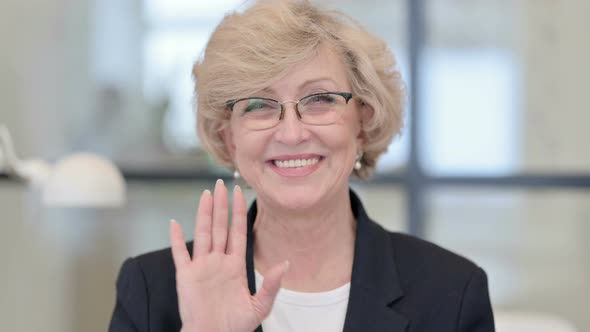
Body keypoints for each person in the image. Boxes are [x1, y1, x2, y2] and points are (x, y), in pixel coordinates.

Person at [108, 1, 495, 331]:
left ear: (362, 122)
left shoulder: (452, 293)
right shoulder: (151, 290)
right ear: (230, 138)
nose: (291, 134)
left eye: (320, 99)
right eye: (259, 105)